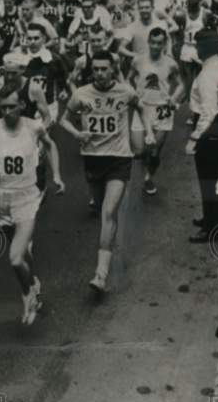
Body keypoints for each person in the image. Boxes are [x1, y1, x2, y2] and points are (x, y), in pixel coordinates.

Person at [61, 51, 154, 295]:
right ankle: (109, 247)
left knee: (109, 211)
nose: (100, 73)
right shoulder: (81, 94)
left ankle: (100, 274)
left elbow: (141, 107)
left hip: (118, 158)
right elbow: (64, 120)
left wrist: (149, 132)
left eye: (105, 69)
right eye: (96, 69)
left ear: (113, 69)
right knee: (103, 211)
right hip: (92, 158)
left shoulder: (125, 91)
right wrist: (77, 134)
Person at [0, 85, 63, 324]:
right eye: (3, 108)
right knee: (21, 251)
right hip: (1, 198)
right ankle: (33, 281)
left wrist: (57, 176)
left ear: (22, 105)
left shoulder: (33, 127)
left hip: (27, 197)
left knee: (14, 258)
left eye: (12, 106)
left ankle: (28, 296)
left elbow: (51, 145)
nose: (8, 111)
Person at [128, 27, 184, 195]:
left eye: (159, 43)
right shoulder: (138, 61)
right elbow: (129, 78)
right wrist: (133, 94)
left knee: (154, 152)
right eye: (152, 42)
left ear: (164, 43)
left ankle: (148, 177)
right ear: (148, 42)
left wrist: (173, 99)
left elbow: (181, 84)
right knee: (138, 150)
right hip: (142, 107)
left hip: (162, 110)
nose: (155, 46)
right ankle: (145, 164)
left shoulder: (170, 64)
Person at [186, 30, 218, 243]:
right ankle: (211, 220)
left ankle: (214, 228)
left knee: (208, 179)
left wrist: (194, 138)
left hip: (210, 127)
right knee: (212, 178)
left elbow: (208, 112)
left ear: (205, 47)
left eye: (198, 45)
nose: (196, 48)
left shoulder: (208, 74)